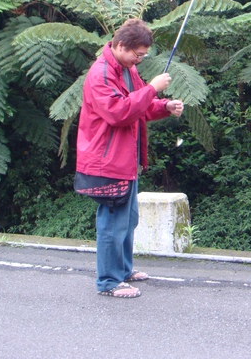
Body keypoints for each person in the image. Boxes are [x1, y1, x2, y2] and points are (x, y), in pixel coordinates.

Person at [76, 18, 184, 298]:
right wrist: (153, 89)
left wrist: (164, 105)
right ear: (121, 46)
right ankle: (109, 282)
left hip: (125, 161)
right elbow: (118, 112)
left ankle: (123, 271)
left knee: (128, 218)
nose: (139, 60)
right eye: (138, 54)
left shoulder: (127, 69)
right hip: (106, 161)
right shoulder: (99, 73)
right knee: (112, 219)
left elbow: (141, 105)